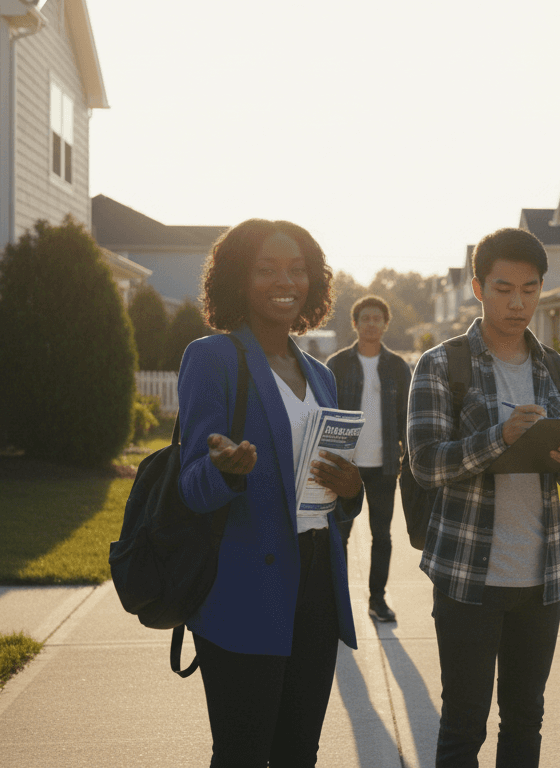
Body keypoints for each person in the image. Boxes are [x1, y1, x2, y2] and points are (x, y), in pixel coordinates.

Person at [177, 218, 363, 767]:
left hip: (315, 590)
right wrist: (227, 470)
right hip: (244, 588)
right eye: (267, 269)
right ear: (239, 278)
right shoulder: (212, 359)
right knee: (241, 754)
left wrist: (350, 489)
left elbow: (331, 496)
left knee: (298, 753)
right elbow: (192, 486)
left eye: (297, 269)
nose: (286, 281)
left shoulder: (321, 374)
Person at [408, 227, 560, 767]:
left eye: (530, 289)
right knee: (464, 725)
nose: (518, 303)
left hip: (541, 580)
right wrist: (501, 436)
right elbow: (424, 463)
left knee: (525, 720)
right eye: (503, 288)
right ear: (477, 287)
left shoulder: (557, 371)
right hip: (468, 577)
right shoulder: (442, 365)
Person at [327, 294, 411, 623]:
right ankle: (337, 602)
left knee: (383, 536)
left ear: (385, 324)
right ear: (356, 323)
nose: (371, 323)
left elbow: (405, 415)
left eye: (378, 318)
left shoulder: (397, 366)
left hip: (384, 466)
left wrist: (410, 459)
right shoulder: (337, 364)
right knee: (339, 535)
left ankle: (377, 600)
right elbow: (325, 412)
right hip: (344, 467)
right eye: (366, 318)